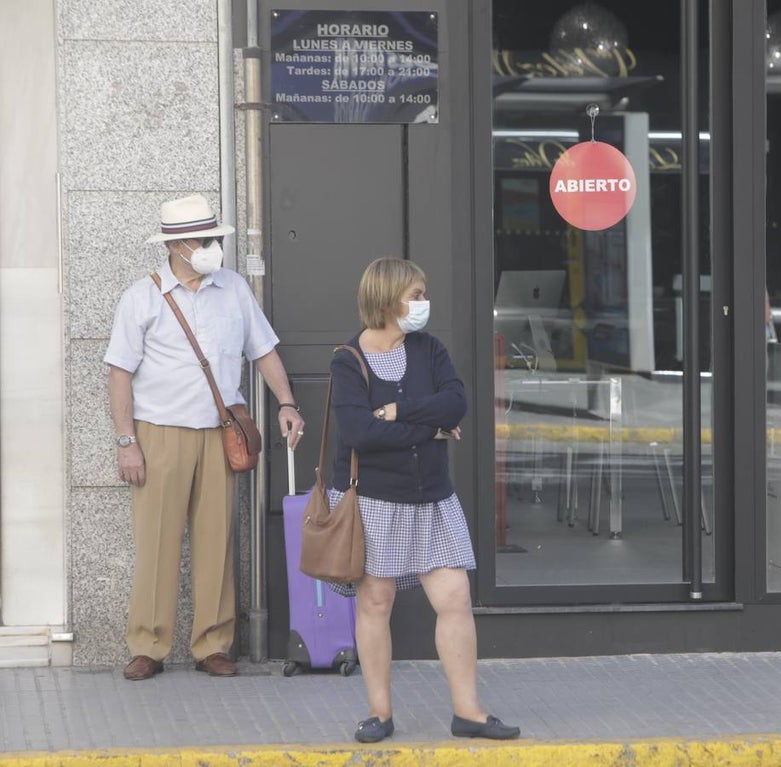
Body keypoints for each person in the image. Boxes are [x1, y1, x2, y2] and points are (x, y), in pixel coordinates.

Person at [105, 194, 304, 681]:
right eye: (200, 239)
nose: (210, 246)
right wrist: (127, 441)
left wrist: (287, 401)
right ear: (174, 245)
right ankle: (148, 646)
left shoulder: (233, 288)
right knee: (156, 542)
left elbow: (264, 349)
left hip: (220, 434)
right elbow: (118, 372)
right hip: (160, 433)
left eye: (214, 237)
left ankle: (213, 644)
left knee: (217, 541)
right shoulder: (142, 297)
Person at [329, 257, 519, 742]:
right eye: (415, 294)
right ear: (388, 298)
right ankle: (380, 714)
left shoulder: (429, 349)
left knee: (455, 598)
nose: (422, 303)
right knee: (376, 601)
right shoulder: (348, 359)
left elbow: (457, 401)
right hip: (374, 499)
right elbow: (357, 433)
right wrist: (429, 429)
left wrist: (401, 411)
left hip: (431, 496)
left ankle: (469, 713)